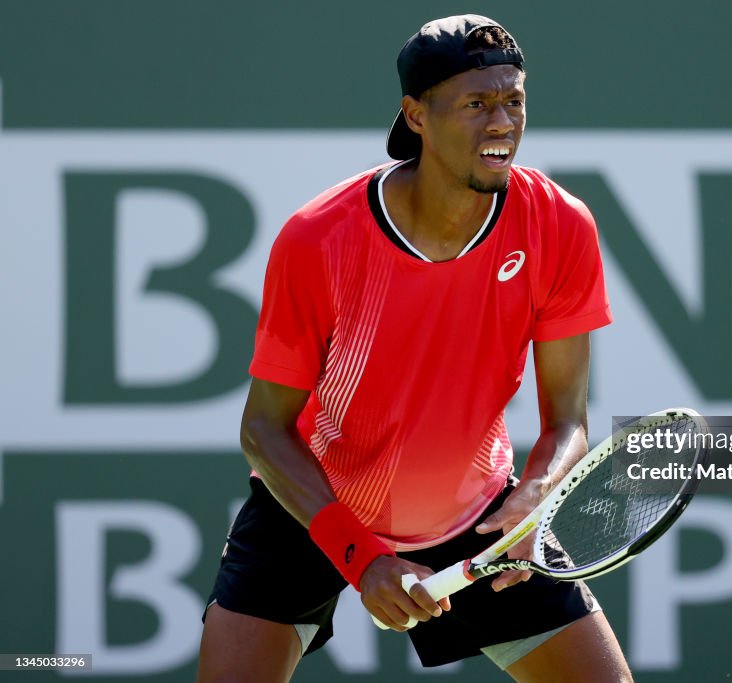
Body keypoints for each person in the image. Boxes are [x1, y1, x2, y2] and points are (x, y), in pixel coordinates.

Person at [196, 14, 632, 683]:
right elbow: (263, 428)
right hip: (314, 511)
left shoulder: (561, 224)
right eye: (476, 104)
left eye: (514, 100)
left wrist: (534, 501)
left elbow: (567, 419)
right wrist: (361, 556)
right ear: (416, 116)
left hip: (478, 513)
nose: (502, 123)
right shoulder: (318, 239)